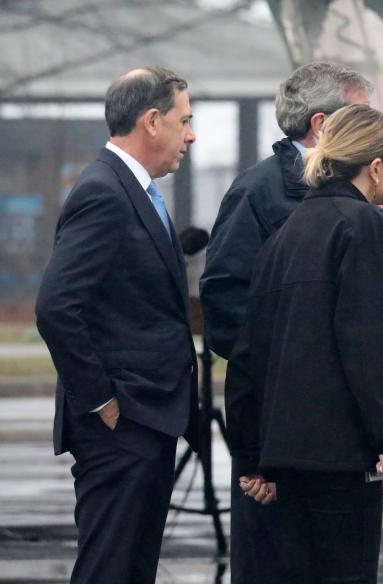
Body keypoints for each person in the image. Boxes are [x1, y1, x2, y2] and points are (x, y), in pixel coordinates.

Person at [199, 62, 383, 582]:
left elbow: (249, 346)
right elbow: (369, 343)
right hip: (335, 449)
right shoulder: (297, 204)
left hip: (280, 446)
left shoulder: (289, 226)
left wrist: (253, 450)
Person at [35, 66, 199, 584]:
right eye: (184, 121)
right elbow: (57, 307)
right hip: (121, 425)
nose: (191, 135)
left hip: (145, 419)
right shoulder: (105, 192)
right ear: (152, 121)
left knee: (131, 570)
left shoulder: (135, 189)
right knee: (111, 569)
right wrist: (101, 400)